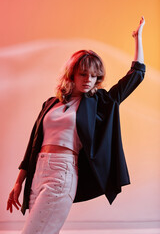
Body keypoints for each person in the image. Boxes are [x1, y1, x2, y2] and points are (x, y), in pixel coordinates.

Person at [7, 17, 146, 234]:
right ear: (72, 73)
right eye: (83, 74)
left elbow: (136, 75)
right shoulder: (51, 103)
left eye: (94, 76)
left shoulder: (98, 102)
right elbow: (32, 145)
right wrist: (18, 183)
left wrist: (138, 39)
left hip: (63, 171)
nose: (89, 80)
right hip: (38, 171)